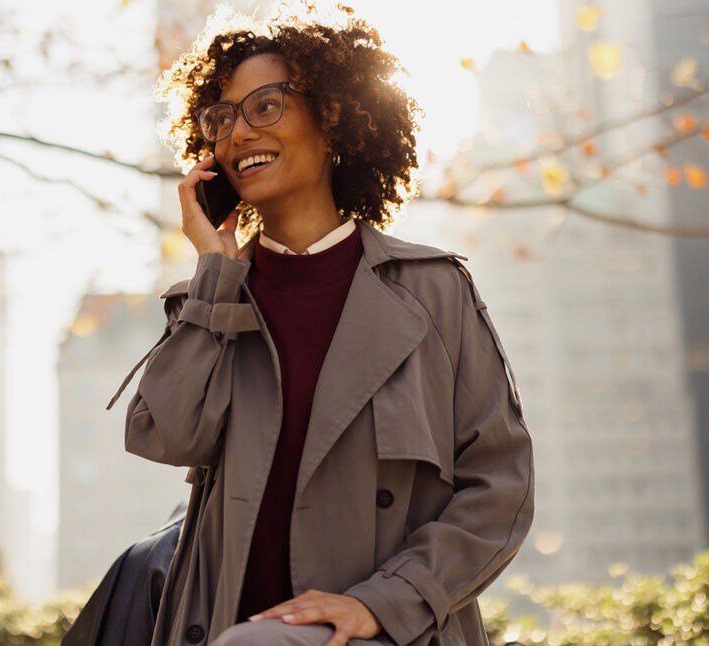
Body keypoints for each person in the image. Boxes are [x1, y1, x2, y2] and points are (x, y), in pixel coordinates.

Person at [121, 9, 534, 646]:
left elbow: (498, 486)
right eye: (220, 118)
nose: (237, 133)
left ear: (331, 115)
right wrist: (214, 274)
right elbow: (166, 436)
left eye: (265, 106)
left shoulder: (431, 290)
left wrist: (384, 604)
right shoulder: (213, 299)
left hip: (387, 632)